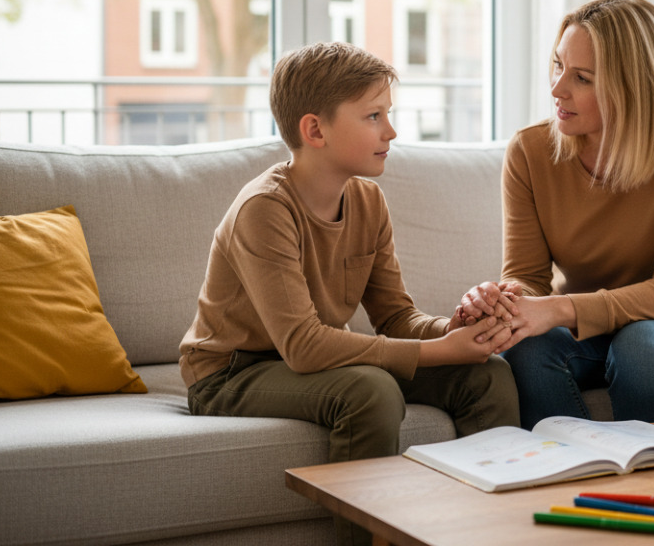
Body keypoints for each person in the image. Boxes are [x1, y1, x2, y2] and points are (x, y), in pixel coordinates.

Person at [178, 42, 519, 546]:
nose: (392, 131)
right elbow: (304, 345)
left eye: (389, 114)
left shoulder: (367, 200)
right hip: (232, 373)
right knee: (369, 391)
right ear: (314, 130)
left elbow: (396, 316)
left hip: (313, 364)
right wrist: (433, 351)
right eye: (374, 116)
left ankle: (485, 535)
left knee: (486, 377)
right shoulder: (264, 210)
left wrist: (456, 329)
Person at [458, 0, 654, 428]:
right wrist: (501, 302)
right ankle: (574, 475)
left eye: (583, 78)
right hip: (588, 334)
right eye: (558, 66)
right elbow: (528, 278)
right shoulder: (530, 152)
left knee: (641, 346)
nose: (557, 89)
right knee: (525, 346)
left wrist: (556, 309)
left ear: (633, 85)